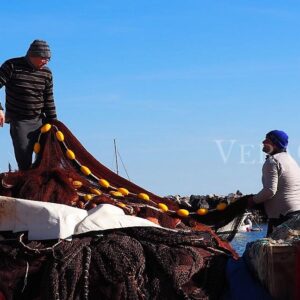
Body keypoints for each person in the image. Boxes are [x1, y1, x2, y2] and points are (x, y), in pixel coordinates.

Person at [0, 40, 57, 170]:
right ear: (33, 55)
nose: (46, 62)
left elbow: (49, 99)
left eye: (49, 59)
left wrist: (54, 122)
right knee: (24, 159)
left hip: (41, 120)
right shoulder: (12, 66)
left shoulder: (46, 73)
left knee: (45, 159)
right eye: (44, 58)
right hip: (20, 121)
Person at [249, 130, 300, 236]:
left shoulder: (272, 161)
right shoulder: (291, 160)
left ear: (275, 144)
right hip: (296, 214)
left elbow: (270, 191)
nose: (263, 142)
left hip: (282, 217)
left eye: (267, 140)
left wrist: (252, 200)